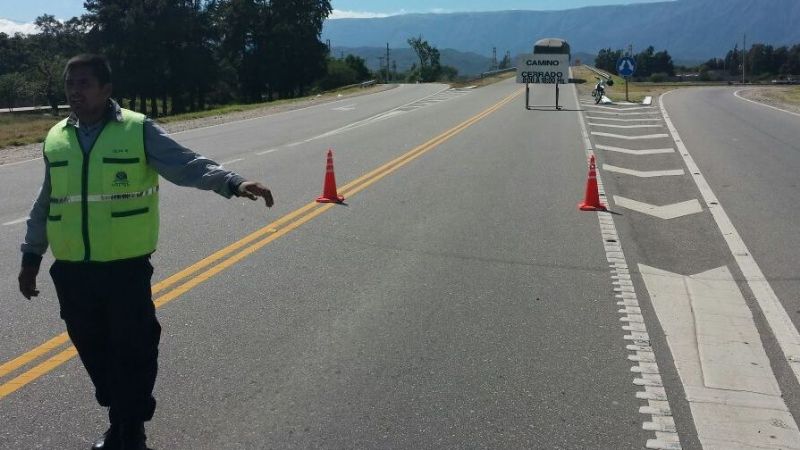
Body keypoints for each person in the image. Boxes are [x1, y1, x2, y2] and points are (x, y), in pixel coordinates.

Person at [17, 54, 274, 450]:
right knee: (94, 352)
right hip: (72, 272)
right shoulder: (56, 138)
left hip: (124, 269)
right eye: (71, 83)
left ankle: (129, 428)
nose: (75, 91)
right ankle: (122, 414)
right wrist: (31, 258)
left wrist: (233, 182)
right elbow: (46, 201)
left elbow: (185, 164)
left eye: (85, 83)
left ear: (106, 90)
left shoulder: (136, 130)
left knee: (134, 349)